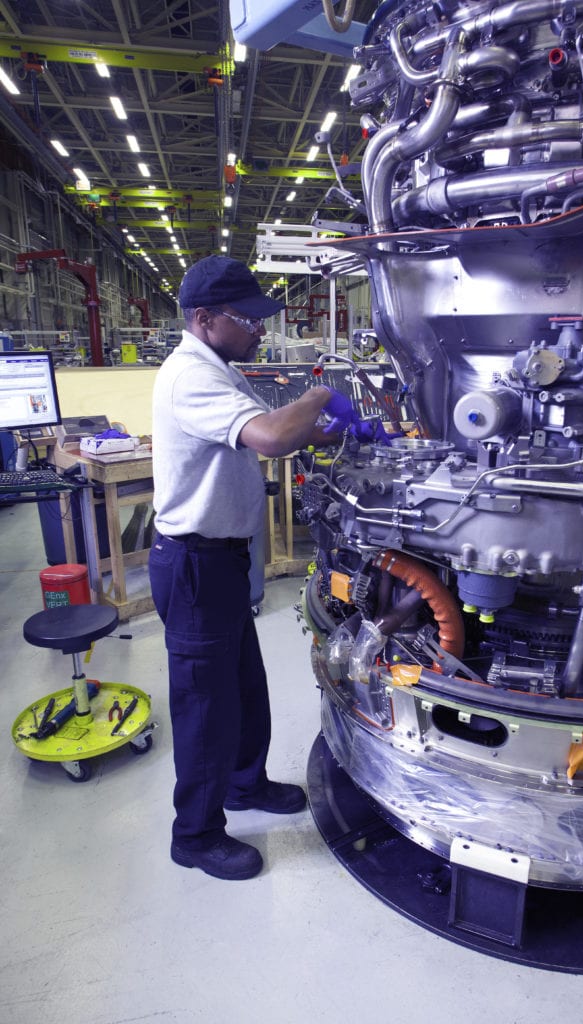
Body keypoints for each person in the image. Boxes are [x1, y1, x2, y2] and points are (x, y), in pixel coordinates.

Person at [149, 255, 360, 881]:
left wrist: (345, 431)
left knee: (243, 687)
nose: (260, 332)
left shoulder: (221, 368)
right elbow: (269, 436)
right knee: (204, 705)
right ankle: (195, 834)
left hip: (224, 560)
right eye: (250, 320)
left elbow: (278, 434)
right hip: (193, 564)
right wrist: (322, 391)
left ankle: (243, 784)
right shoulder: (191, 376)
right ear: (206, 317)